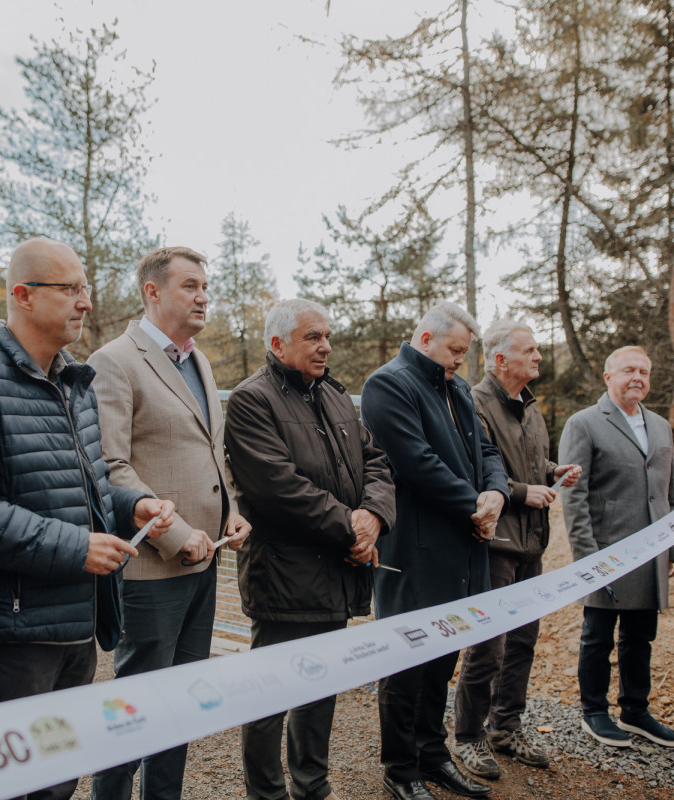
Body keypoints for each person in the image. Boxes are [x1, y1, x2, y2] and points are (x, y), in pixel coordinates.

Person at [0, 237, 174, 800]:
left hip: (75, 624)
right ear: (22, 296)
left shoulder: (75, 381)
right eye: (71, 289)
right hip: (9, 634)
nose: (85, 302)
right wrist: (75, 547)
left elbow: (85, 488)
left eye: (85, 289)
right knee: (9, 786)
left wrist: (133, 505)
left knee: (58, 780)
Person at [87, 246, 251, 800]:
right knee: (135, 709)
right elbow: (111, 465)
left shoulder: (198, 360)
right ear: (152, 292)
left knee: (181, 703)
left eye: (206, 285)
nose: (203, 295)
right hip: (153, 569)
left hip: (207, 563)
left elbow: (212, 449)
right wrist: (178, 537)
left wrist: (232, 509)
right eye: (189, 285)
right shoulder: (114, 360)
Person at [225, 298, 396, 800]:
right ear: (277, 344)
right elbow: (277, 487)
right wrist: (352, 527)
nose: (325, 346)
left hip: (337, 572)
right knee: (270, 695)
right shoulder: (251, 400)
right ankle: (267, 793)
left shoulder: (338, 397)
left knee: (320, 689)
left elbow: (378, 463)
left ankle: (312, 785)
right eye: (312, 337)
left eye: (327, 336)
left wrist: (374, 518)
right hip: (283, 575)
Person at [361, 301, 508, 800]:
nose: (459, 363)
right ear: (425, 338)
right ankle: (400, 769)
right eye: (454, 351)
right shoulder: (389, 384)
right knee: (406, 665)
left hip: (463, 546)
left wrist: (496, 494)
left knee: (443, 659)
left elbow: (487, 452)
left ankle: (434, 755)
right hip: (414, 550)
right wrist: (477, 505)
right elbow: (415, 463)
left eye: (465, 354)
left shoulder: (459, 388)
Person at [452, 320, 581, 779]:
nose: (539, 357)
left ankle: (506, 728)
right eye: (530, 350)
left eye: (538, 350)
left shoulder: (530, 408)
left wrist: (551, 470)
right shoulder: (471, 403)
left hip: (531, 543)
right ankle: (467, 737)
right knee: (488, 644)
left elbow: (526, 462)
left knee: (523, 641)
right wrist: (525, 490)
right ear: (500, 359)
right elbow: (470, 474)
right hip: (492, 545)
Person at [559, 345, 674, 749]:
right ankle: (594, 712)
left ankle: (635, 711)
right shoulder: (583, 424)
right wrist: (587, 556)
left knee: (640, 636)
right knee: (597, 636)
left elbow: (672, 491)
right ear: (607, 376)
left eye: (645, 372)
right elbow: (572, 497)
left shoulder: (661, 426)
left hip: (652, 552)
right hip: (606, 551)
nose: (638, 378)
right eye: (629, 370)